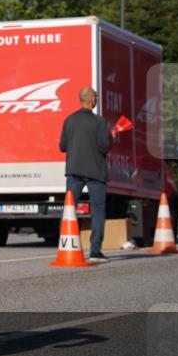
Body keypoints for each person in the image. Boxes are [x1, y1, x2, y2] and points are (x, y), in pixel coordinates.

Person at [59, 86, 112, 263]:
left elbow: (62, 147)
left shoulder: (69, 120)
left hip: (73, 170)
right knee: (97, 210)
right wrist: (111, 136)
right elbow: (104, 146)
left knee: (69, 209)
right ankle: (95, 251)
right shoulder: (99, 122)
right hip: (95, 171)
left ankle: (65, 246)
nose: (96, 100)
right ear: (92, 100)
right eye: (96, 97)